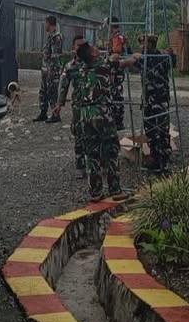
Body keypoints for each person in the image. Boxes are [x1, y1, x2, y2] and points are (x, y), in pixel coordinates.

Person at [53, 41, 136, 202]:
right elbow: (124, 63)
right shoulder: (102, 65)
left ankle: (96, 192)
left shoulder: (80, 68)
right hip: (101, 113)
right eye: (94, 48)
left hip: (84, 115)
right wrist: (135, 57)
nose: (97, 49)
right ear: (92, 54)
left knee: (91, 154)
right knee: (111, 150)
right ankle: (115, 190)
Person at [132, 34, 176, 174]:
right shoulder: (144, 58)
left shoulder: (161, 57)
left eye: (144, 44)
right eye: (141, 44)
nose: (142, 46)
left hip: (159, 100)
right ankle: (154, 157)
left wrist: (171, 54)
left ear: (152, 44)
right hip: (148, 101)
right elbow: (132, 61)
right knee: (150, 130)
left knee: (161, 130)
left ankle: (163, 161)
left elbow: (172, 62)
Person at [54, 34, 87, 178]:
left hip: (94, 106)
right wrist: (59, 104)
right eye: (78, 45)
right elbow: (63, 86)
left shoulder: (93, 63)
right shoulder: (70, 66)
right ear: (73, 47)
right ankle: (80, 165)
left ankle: (97, 163)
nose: (81, 48)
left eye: (84, 45)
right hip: (78, 106)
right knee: (79, 134)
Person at [34, 15, 64, 123]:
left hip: (52, 70)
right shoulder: (50, 36)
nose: (44, 25)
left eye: (45, 23)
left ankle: (56, 114)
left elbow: (55, 56)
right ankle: (43, 112)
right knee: (43, 91)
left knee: (52, 92)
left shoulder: (56, 37)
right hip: (46, 69)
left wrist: (51, 70)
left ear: (49, 23)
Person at [107, 17, 127, 132]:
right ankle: (116, 120)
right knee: (114, 94)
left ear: (111, 25)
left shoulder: (117, 37)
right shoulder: (117, 37)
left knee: (116, 94)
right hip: (115, 69)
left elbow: (116, 53)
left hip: (116, 69)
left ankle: (118, 122)